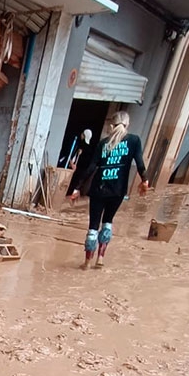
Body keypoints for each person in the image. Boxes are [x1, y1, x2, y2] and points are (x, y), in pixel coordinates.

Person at [71, 112, 149, 269]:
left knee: (93, 226)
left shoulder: (103, 143)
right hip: (118, 191)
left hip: (99, 189)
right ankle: (100, 258)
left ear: (111, 125)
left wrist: (76, 188)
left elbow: (92, 167)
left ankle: (86, 262)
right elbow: (140, 163)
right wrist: (145, 180)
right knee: (107, 222)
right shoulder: (134, 141)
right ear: (127, 124)